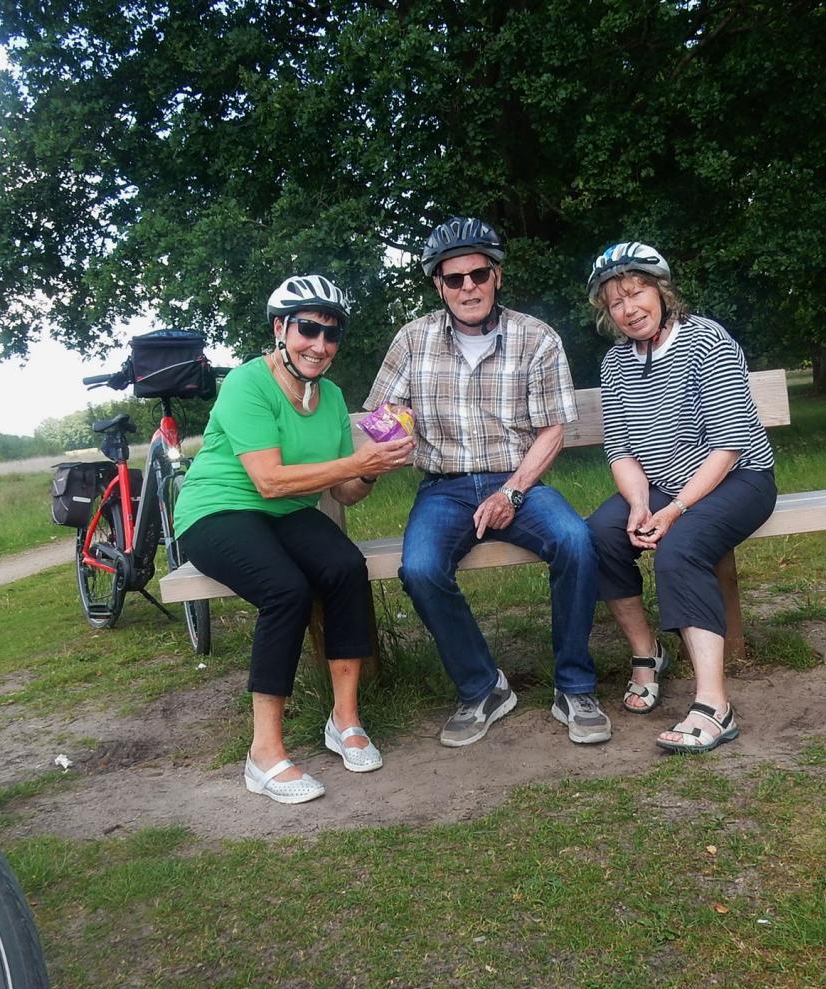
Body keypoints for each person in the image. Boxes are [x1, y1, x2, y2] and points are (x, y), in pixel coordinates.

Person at [174, 275, 414, 803]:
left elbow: (345, 493)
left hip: (285, 512)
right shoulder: (246, 383)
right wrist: (355, 461)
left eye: (332, 335)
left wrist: (373, 468)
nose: (320, 345)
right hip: (217, 511)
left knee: (345, 566)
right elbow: (268, 480)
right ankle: (263, 755)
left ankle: (345, 721)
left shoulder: (331, 396)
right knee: (286, 590)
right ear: (281, 329)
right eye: (308, 329)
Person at [365, 216, 601, 748]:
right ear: (439, 285)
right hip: (443, 487)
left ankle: (575, 687)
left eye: (478, 274)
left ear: (496, 277)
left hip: (518, 479)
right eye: (455, 278)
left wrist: (511, 491)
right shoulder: (413, 340)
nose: (468, 287)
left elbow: (553, 431)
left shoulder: (536, 338)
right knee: (420, 569)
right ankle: (482, 687)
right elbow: (383, 413)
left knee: (577, 541)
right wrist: (390, 436)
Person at [586, 242, 777, 752]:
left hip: (739, 478)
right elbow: (621, 450)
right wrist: (638, 504)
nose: (628, 309)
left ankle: (714, 705)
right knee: (599, 533)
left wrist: (673, 510)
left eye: (636, 293)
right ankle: (646, 654)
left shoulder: (706, 340)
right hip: (661, 485)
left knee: (680, 547)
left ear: (661, 291)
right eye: (615, 302)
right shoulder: (615, 363)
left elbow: (728, 446)